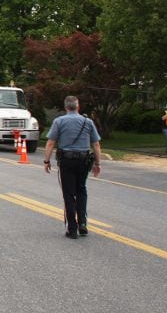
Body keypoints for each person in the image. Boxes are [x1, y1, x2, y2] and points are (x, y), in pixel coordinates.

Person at [43, 96, 102, 239]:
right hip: (83, 160)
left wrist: (47, 161)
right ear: (78, 107)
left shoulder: (59, 121)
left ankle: (72, 228)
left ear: (66, 107)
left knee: (68, 193)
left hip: (67, 161)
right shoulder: (88, 122)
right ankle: (83, 223)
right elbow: (96, 144)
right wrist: (98, 164)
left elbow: (51, 143)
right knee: (81, 189)